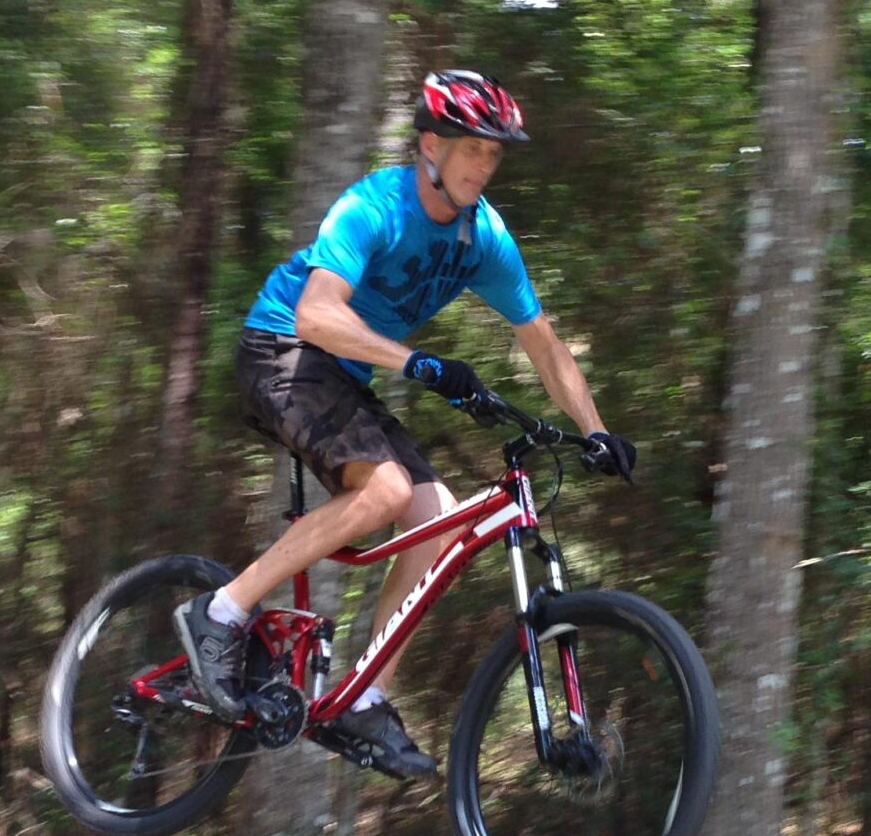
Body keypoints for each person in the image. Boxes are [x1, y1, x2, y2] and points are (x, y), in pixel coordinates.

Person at [174, 68, 637, 779]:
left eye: (494, 154)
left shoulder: (483, 239)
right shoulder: (375, 205)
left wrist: (596, 430)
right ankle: (223, 610)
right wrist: (418, 362)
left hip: (344, 376)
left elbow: (541, 339)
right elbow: (317, 314)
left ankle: (363, 695)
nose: (486, 166)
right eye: (473, 149)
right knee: (387, 491)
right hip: (280, 349)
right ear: (431, 144)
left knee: (440, 516)